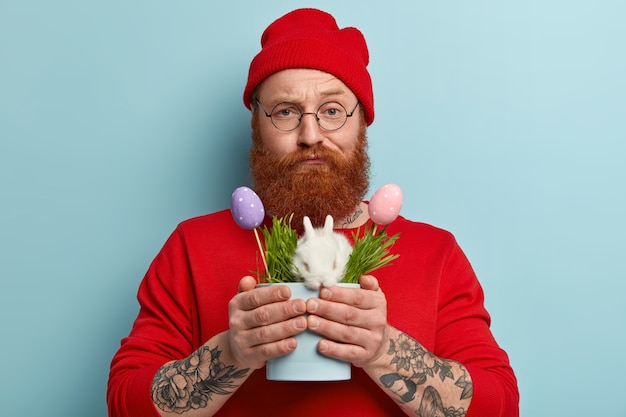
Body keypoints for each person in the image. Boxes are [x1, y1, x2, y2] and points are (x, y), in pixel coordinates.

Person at [107, 8, 519, 417]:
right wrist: (231, 352)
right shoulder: (192, 247)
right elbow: (124, 404)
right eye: (285, 111)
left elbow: (500, 406)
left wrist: (383, 350)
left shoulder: (435, 252)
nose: (311, 135)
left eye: (333, 110)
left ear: (361, 124)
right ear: (257, 126)